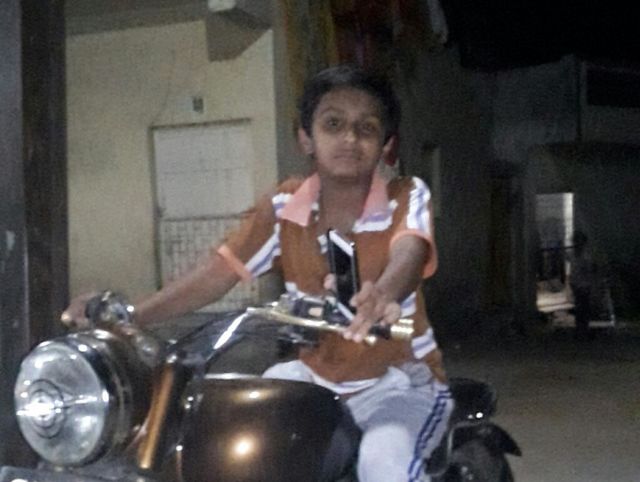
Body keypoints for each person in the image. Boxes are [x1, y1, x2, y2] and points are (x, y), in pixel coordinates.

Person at [63, 64, 452, 482]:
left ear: (386, 145)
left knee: (384, 463)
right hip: (314, 378)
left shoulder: (405, 195)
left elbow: (409, 251)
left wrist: (383, 294)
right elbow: (218, 273)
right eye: (333, 124)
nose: (350, 139)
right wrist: (130, 316)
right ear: (306, 138)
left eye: (367, 128)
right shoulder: (285, 207)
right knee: (242, 435)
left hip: (401, 382)